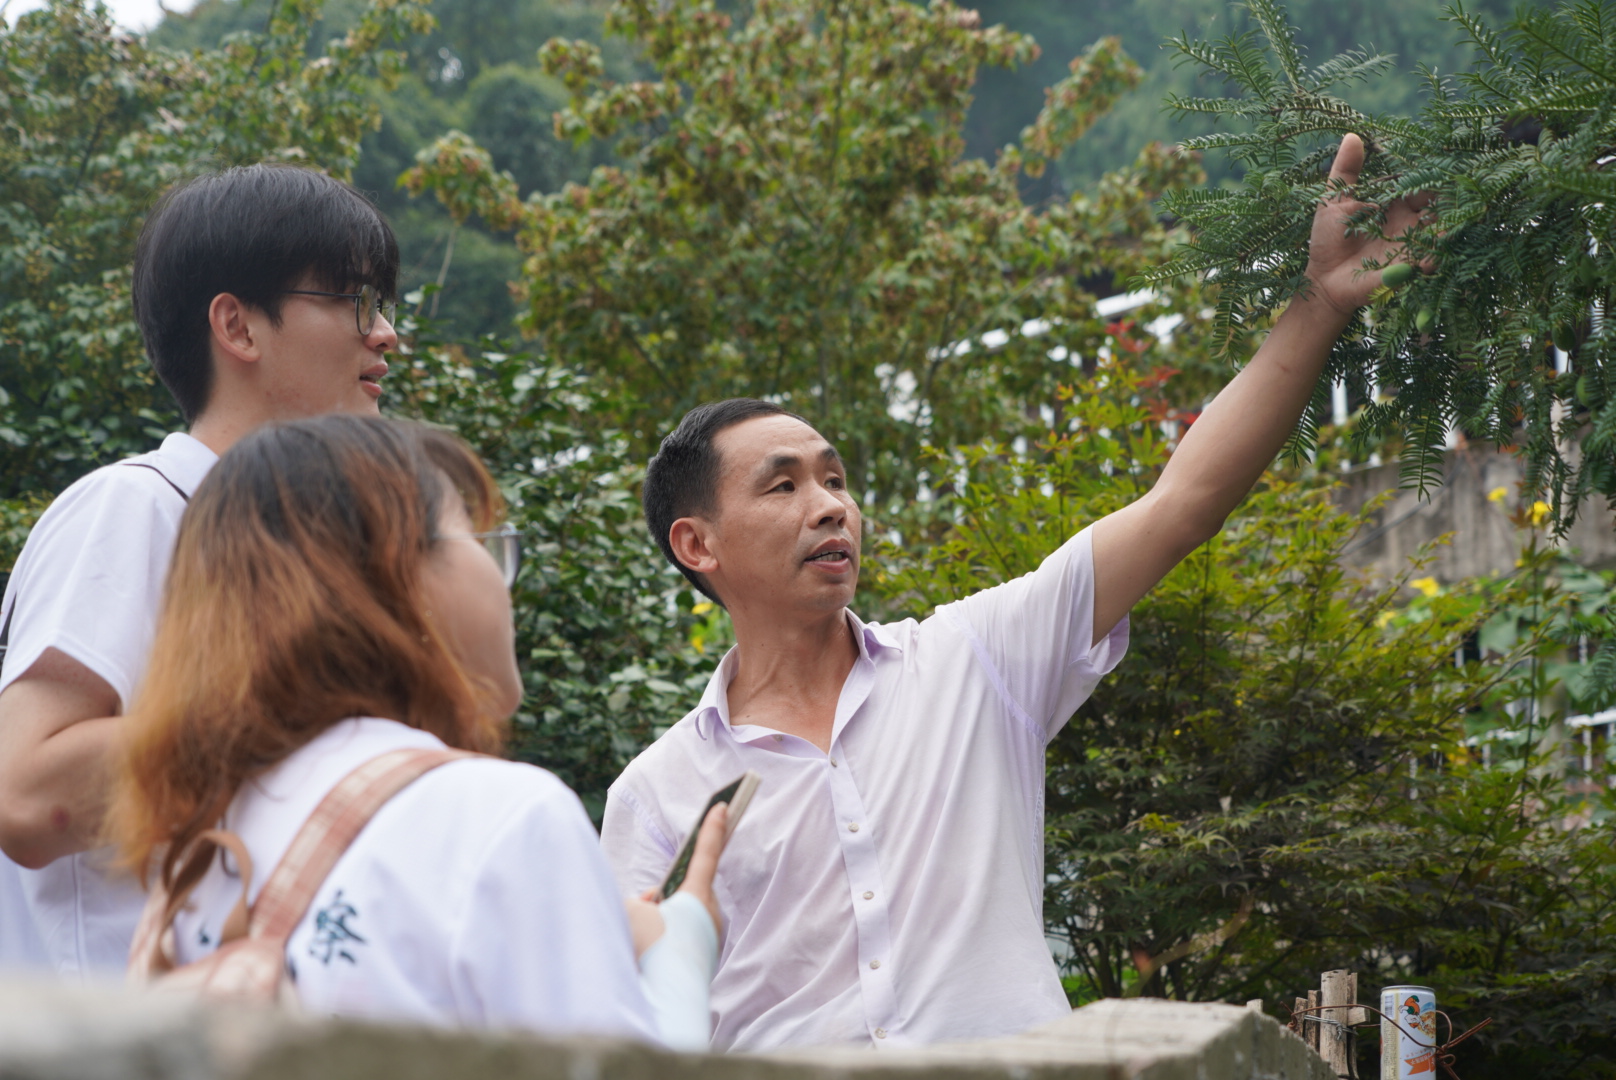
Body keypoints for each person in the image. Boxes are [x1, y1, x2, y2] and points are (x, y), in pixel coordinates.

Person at [600, 134, 1429, 1050]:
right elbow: (633, 1028)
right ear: (697, 544)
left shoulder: (973, 661)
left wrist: (1318, 303)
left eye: (835, 479)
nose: (831, 506)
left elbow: (1182, 505)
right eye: (783, 485)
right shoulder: (657, 794)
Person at [107, 416, 725, 1045]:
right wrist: (678, 952)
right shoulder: (500, 815)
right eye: (478, 538)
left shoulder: (196, 840)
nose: (502, 576)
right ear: (401, 575)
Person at [0, 164, 401, 976]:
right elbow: (25, 794)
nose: (387, 334)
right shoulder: (137, 506)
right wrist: (315, 717)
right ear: (238, 327)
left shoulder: (304, 551)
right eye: (356, 300)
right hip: (107, 1032)